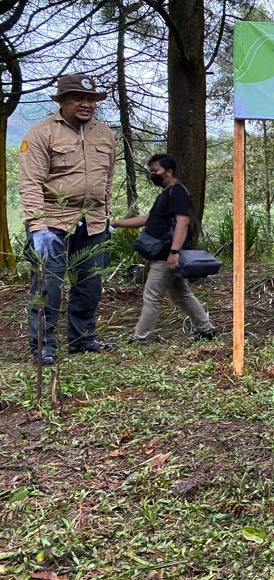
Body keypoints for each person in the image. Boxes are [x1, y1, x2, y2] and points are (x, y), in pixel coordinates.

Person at [19, 73, 117, 365]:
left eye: (91, 99)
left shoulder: (105, 134)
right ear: (62, 101)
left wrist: (106, 215)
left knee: (90, 283)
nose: (86, 104)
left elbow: (107, 180)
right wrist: (37, 228)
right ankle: (43, 346)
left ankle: (82, 339)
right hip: (52, 223)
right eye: (78, 98)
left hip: (94, 222)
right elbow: (30, 183)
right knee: (48, 285)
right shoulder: (41, 133)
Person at [111, 154, 216, 343]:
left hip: (167, 255)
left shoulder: (177, 193)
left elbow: (183, 222)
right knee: (182, 294)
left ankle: (139, 337)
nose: (153, 175)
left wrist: (174, 252)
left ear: (168, 171)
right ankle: (206, 329)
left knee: (152, 295)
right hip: (166, 254)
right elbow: (147, 219)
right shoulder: (166, 194)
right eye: (151, 171)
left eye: (156, 171)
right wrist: (116, 224)